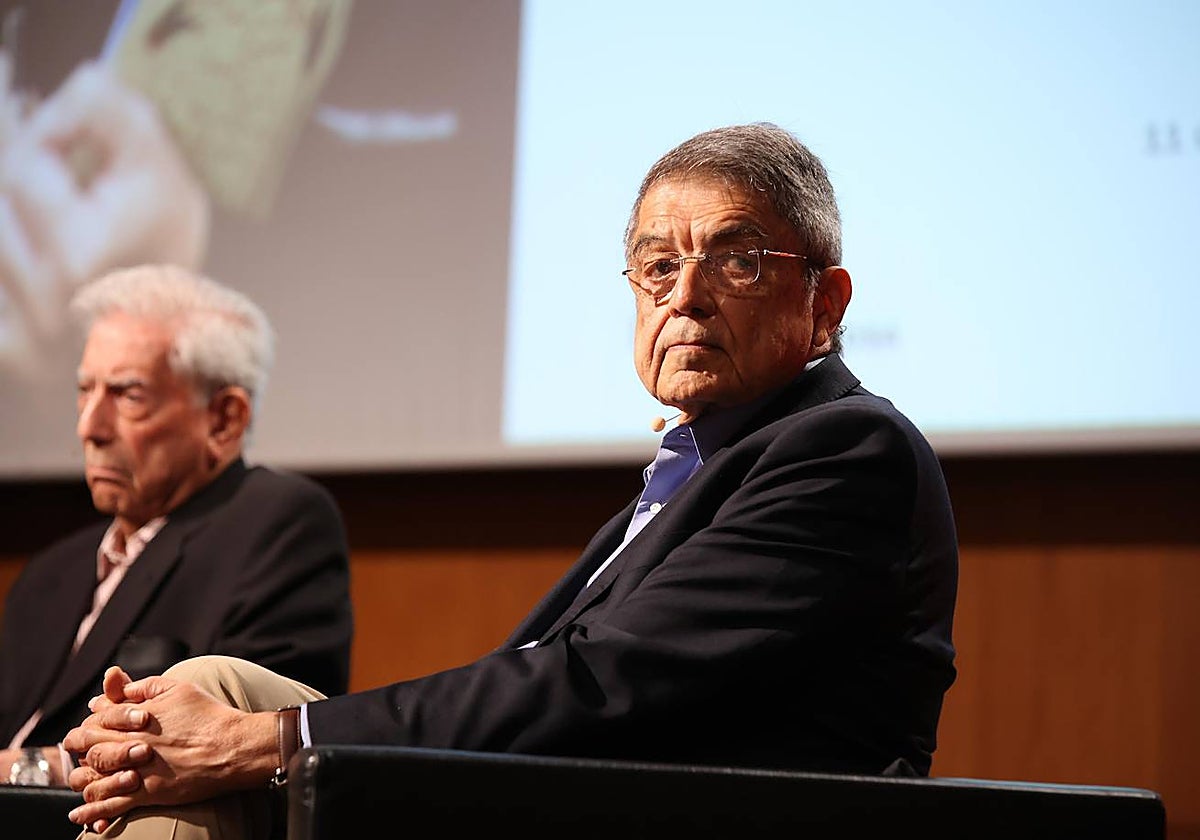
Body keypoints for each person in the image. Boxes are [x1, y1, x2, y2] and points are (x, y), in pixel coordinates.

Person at [63, 122, 958, 838]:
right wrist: (213, 733)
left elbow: (602, 683)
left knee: (235, 731)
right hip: (552, 796)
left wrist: (268, 742)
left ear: (825, 304)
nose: (684, 296)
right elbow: (536, 679)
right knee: (206, 689)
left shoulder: (845, 450)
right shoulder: (698, 464)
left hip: (656, 813)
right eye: (657, 266)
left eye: (734, 259)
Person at [0, 263, 354, 788]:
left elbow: (242, 737)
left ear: (223, 420)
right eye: (85, 390)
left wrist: (28, 771)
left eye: (128, 396)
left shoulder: (277, 524)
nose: (89, 427)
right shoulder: (51, 571)